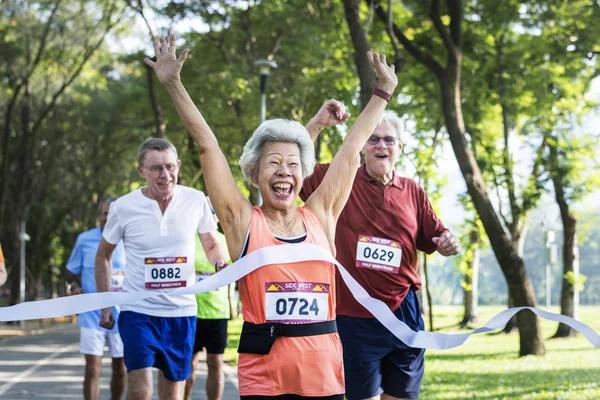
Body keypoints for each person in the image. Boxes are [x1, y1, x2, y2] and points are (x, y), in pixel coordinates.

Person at [146, 34, 397, 399]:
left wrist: (383, 92)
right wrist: (173, 84)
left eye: (292, 164)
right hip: (264, 374)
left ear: (304, 173)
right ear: (254, 173)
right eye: (273, 163)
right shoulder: (242, 222)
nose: (283, 171)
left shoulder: (322, 215)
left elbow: (353, 147)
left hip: (324, 371)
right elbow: (207, 145)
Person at [301, 106, 461, 400]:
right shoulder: (338, 180)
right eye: (373, 139)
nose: (381, 145)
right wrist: (318, 123)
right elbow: (296, 166)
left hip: (405, 313)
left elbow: (437, 234)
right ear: (361, 147)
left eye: (388, 139)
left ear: (399, 147)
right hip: (355, 313)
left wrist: (448, 241)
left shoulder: (413, 191)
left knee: (402, 396)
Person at [95, 137, 229, 400]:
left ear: (178, 165)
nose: (165, 174)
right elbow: (103, 256)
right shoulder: (123, 207)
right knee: (141, 388)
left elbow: (212, 243)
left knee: (173, 393)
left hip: (181, 312)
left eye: (170, 166)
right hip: (138, 311)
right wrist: (105, 303)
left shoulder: (195, 200)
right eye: (156, 168)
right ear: (141, 171)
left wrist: (220, 262)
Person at [64, 197, 127, 400]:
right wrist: (74, 286)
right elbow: (70, 271)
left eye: (113, 214)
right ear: (99, 216)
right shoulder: (84, 239)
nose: (109, 217)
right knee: (93, 369)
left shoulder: (131, 239)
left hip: (123, 315)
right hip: (92, 314)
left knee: (121, 369)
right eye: (105, 213)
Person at [184, 226, 233, 400]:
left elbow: (233, 274)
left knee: (215, 363)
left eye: (213, 212)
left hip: (217, 313)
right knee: (188, 364)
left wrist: (233, 306)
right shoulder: (187, 239)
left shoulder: (226, 240)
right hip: (191, 312)